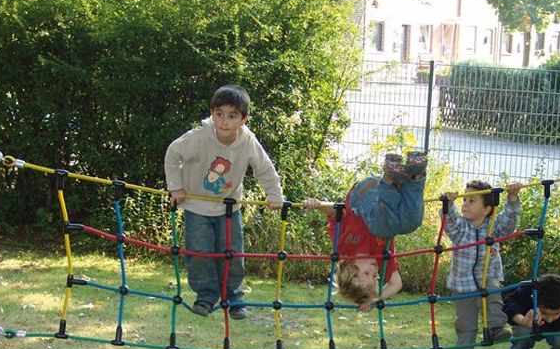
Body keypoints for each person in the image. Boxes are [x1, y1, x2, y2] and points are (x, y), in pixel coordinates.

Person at [164, 84, 283, 319]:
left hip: (229, 208)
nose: (224, 122)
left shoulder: (247, 141)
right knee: (200, 252)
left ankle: (234, 297)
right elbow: (173, 154)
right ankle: (206, 297)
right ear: (212, 113)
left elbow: (264, 168)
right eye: (219, 114)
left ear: (244, 119)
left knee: (233, 252)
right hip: (196, 205)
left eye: (232, 116)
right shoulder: (199, 137)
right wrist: (176, 187)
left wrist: (274, 195)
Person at [303, 152, 427, 310]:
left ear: (351, 270)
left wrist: (318, 204)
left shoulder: (343, 248)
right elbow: (397, 284)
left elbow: (336, 213)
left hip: (363, 193)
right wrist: (374, 299)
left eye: (367, 274)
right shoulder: (381, 258)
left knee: (382, 230)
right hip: (389, 198)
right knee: (411, 224)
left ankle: (390, 179)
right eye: (375, 276)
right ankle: (416, 174)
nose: (374, 271)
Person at [443, 180, 523, 349]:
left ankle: (496, 326)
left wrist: (512, 198)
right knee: (465, 324)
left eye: (472, 201)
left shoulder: (492, 228)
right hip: (463, 284)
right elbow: (450, 222)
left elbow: (509, 223)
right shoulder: (461, 229)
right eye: (464, 200)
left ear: (487, 209)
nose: (465, 204)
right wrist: (449, 204)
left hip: (487, 275)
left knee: (494, 292)